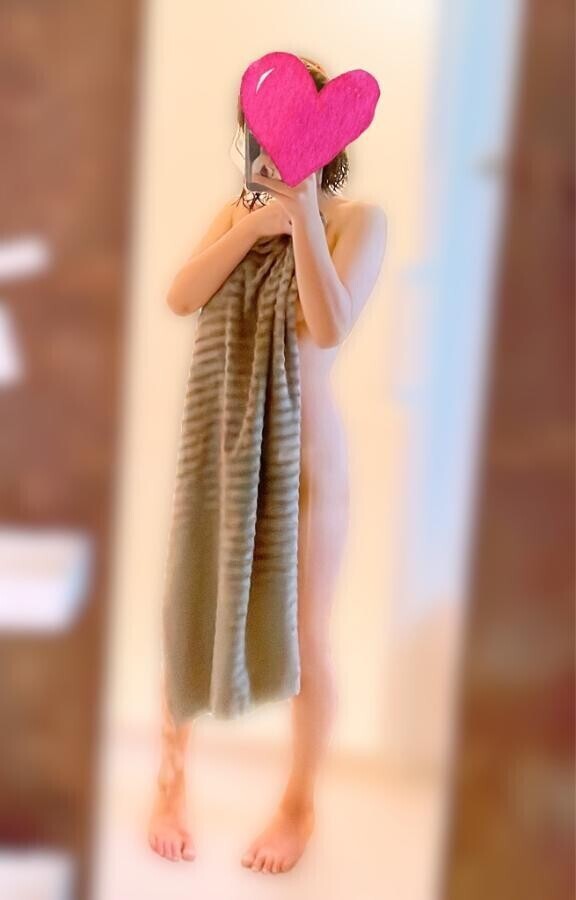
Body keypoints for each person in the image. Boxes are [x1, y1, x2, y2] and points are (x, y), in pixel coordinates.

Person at [148, 55, 388, 875]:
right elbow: (182, 296)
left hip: (310, 464)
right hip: (225, 452)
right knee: (188, 606)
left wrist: (306, 216)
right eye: (268, 129)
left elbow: (327, 325)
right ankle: (170, 781)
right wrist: (254, 227)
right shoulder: (235, 216)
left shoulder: (360, 222)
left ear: (333, 139)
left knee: (308, 636)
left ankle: (298, 803)